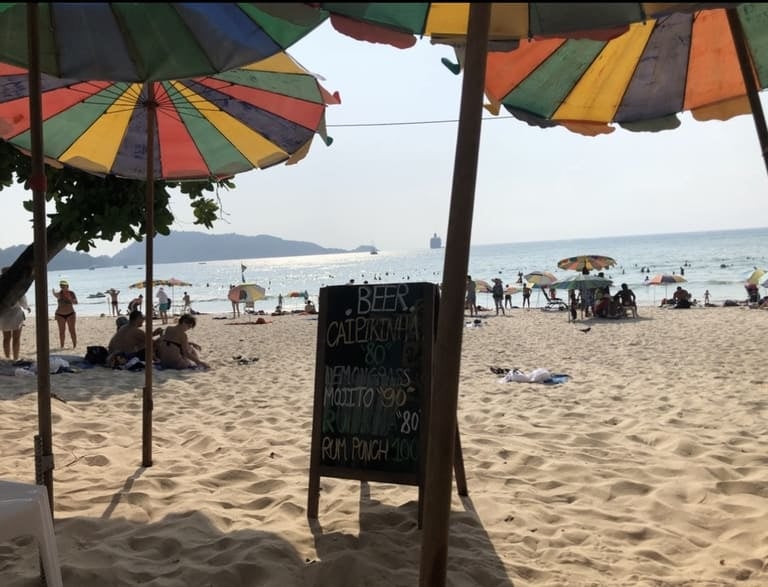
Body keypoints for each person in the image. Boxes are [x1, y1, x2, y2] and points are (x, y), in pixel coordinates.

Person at [0, 266, 31, 361]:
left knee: (6, 338)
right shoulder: (16, 284)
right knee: (16, 338)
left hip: (3, 314)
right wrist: (27, 307)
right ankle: (15, 358)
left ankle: (7, 357)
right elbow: (22, 299)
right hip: (16, 313)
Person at [52, 279, 78, 348]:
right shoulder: (59, 294)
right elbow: (55, 295)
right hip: (60, 314)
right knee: (61, 332)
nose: (62, 287)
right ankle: (62, 346)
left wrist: (69, 298)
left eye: (64, 285)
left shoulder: (71, 293)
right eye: (61, 286)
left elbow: (76, 303)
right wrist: (53, 292)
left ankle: (74, 346)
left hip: (70, 314)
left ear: (67, 286)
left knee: (72, 330)